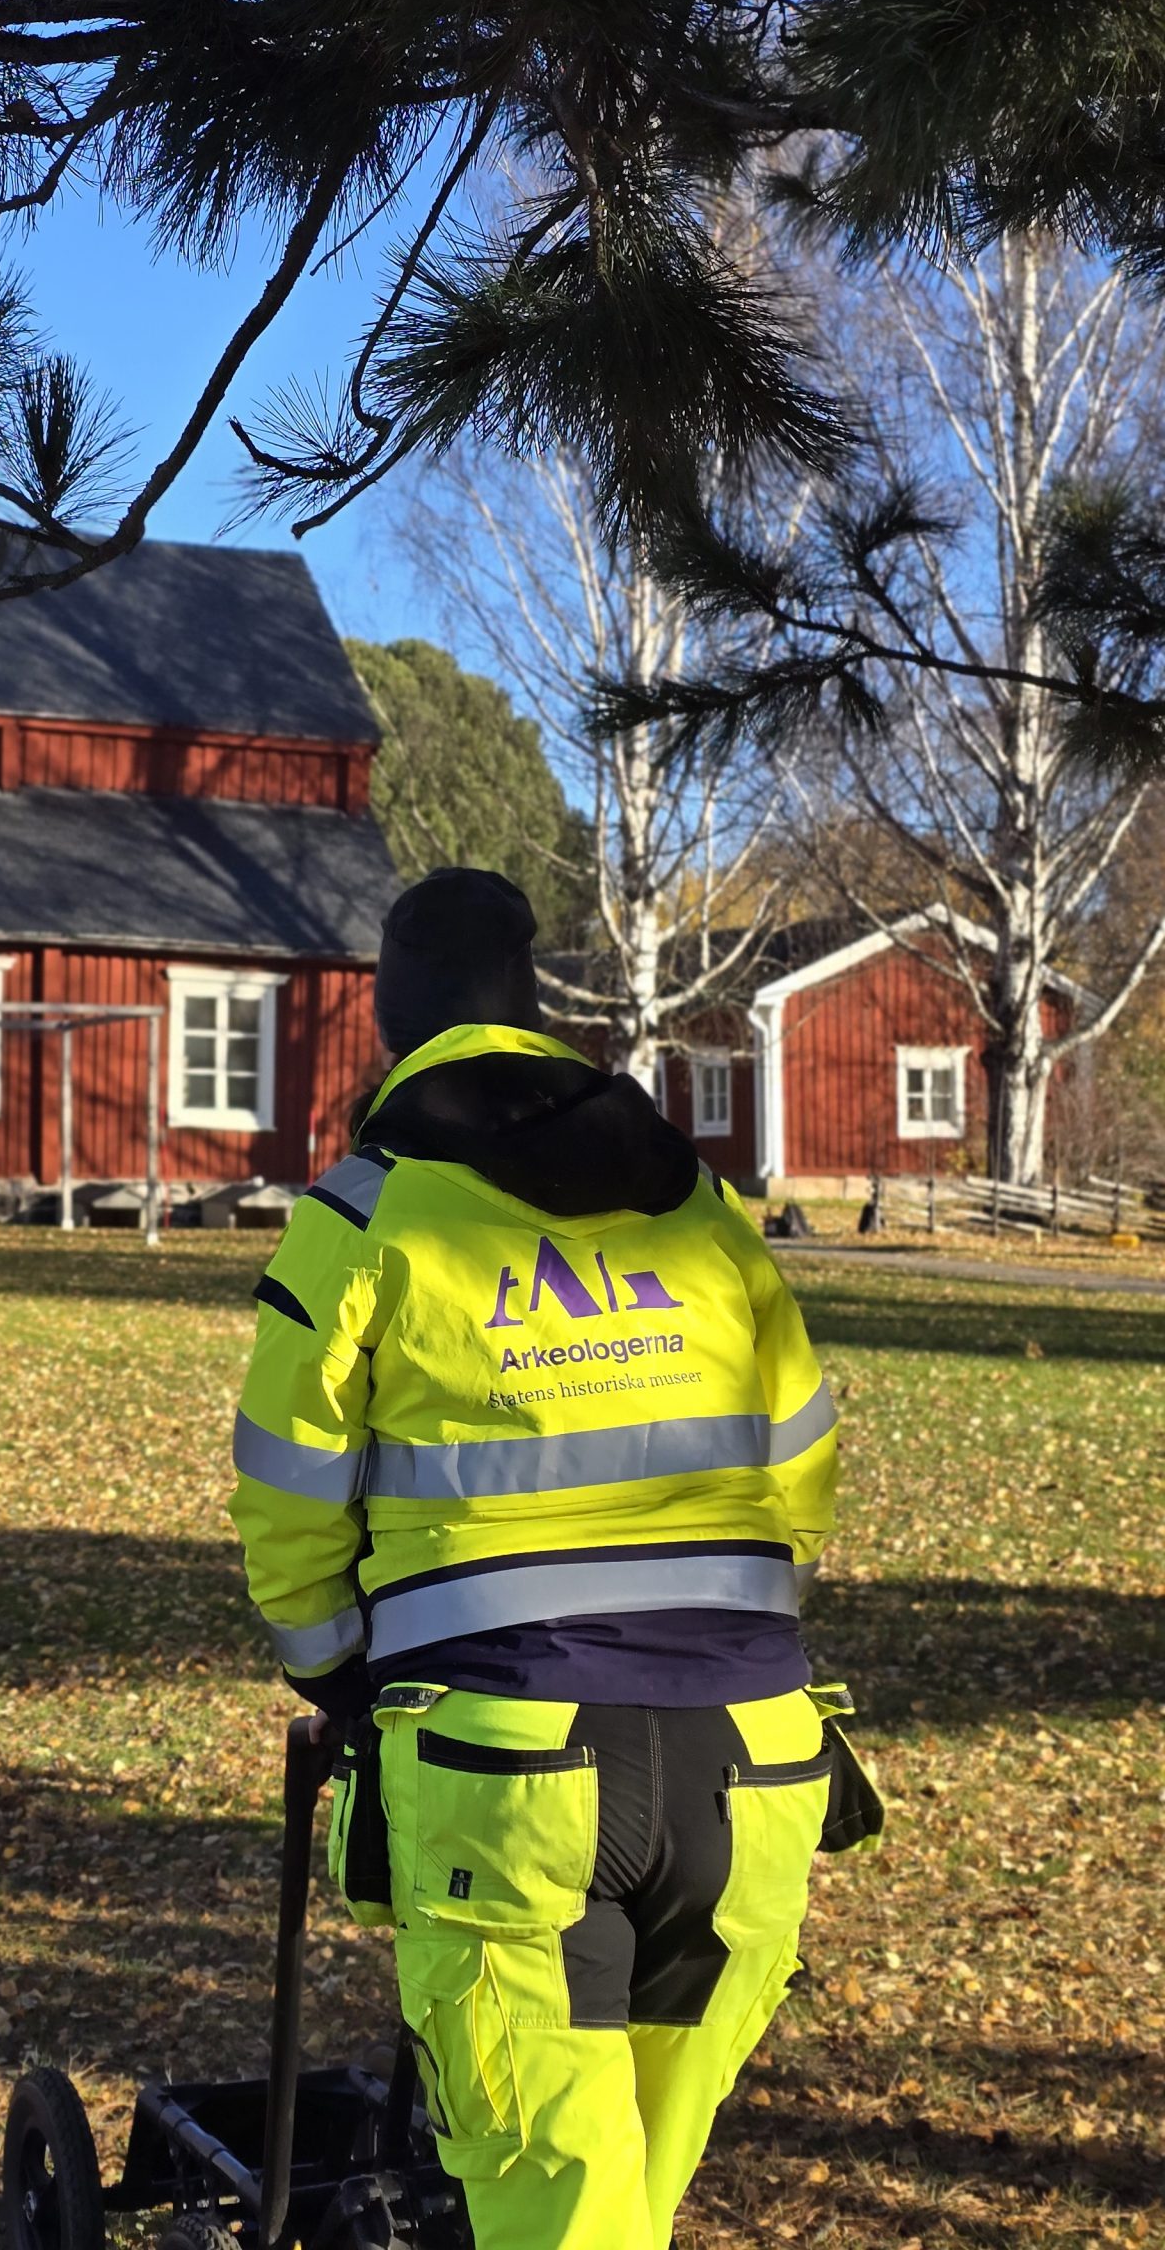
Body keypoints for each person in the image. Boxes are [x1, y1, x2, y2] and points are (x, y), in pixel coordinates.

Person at [231, 867, 847, 2250]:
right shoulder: (698, 1204)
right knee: (631, 2190)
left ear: (393, 1017)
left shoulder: (365, 1213)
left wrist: (335, 1669)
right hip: (753, 1763)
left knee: (562, 2213)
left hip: (513, 1771)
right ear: (534, 1005)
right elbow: (802, 1457)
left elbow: (287, 1483)